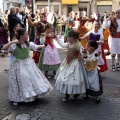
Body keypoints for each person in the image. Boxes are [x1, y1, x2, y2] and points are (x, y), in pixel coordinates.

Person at [2, 28, 53, 106]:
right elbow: (4, 48)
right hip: (19, 65)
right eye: (26, 34)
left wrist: (44, 45)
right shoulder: (14, 45)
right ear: (22, 36)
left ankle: (32, 94)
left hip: (28, 64)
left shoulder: (28, 43)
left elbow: (35, 46)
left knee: (32, 78)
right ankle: (16, 98)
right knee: (20, 80)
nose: (27, 36)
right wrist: (12, 41)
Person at [55, 30, 88, 101]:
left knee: (74, 78)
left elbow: (82, 52)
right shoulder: (69, 44)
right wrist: (57, 39)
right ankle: (67, 94)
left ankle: (76, 93)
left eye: (69, 37)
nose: (67, 38)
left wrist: (84, 52)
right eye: (67, 37)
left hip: (76, 64)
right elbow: (62, 45)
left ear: (74, 38)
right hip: (68, 62)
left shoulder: (78, 45)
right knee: (66, 77)